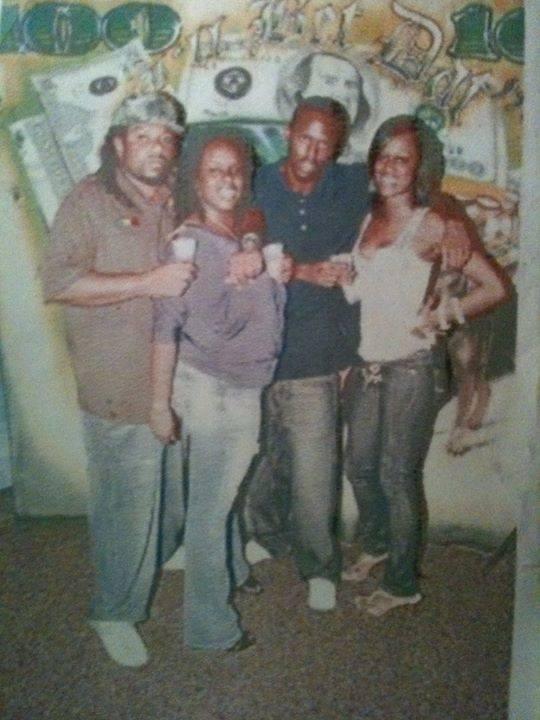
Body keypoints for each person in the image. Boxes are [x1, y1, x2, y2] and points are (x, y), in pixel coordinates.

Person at [41, 92, 196, 667]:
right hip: (119, 381)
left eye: (165, 138)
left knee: (171, 484)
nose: (155, 147)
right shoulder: (88, 200)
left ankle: (163, 551)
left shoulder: (177, 195)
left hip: (175, 374)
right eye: (142, 136)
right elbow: (59, 284)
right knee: (125, 505)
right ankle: (114, 610)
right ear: (118, 143)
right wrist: (145, 282)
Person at [341, 115, 508, 616]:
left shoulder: (431, 223)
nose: (390, 166)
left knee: (397, 476)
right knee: (359, 468)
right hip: (368, 365)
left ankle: (401, 583)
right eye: (383, 155)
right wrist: (344, 281)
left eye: (403, 158)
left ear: (420, 168)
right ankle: (377, 544)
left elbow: (495, 288)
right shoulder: (367, 215)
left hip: (412, 368)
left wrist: (443, 315)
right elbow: (366, 289)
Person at [149, 134, 285, 651]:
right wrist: (159, 404)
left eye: (235, 169)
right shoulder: (188, 244)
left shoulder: (236, 229)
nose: (227, 178)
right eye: (214, 170)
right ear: (196, 180)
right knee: (209, 512)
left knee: (217, 499)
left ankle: (231, 571)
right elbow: (164, 327)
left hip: (237, 386)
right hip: (216, 392)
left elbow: (253, 227)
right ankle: (210, 629)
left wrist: (267, 266)